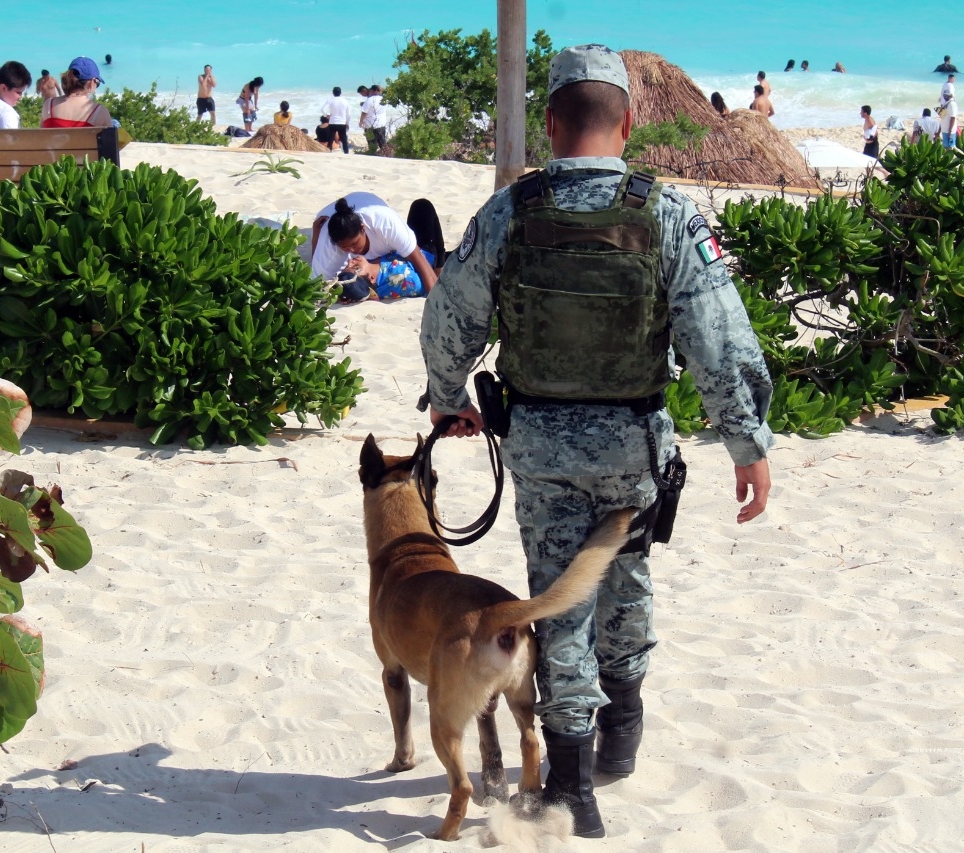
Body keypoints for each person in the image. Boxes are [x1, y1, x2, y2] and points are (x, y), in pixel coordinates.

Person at [418, 43, 773, 839]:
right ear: (631, 123)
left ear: (550, 122)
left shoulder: (510, 210)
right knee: (626, 577)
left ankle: (575, 787)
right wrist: (748, 442)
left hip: (541, 443)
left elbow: (449, 320)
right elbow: (720, 339)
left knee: (560, 596)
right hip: (633, 443)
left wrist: (448, 403)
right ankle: (622, 739)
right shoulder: (668, 213)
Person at [310, 194, 438, 299]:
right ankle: (440, 266)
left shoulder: (386, 225)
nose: (352, 252)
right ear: (372, 277)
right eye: (345, 248)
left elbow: (317, 274)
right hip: (427, 254)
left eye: (354, 243)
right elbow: (420, 259)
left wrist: (316, 237)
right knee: (422, 207)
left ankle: (440, 266)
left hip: (365, 206)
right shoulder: (332, 248)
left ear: (363, 228)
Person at [40, 57, 113, 128]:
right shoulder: (99, 111)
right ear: (90, 83)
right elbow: (111, 140)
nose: (96, 86)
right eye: (97, 83)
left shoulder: (48, 105)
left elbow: (41, 138)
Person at [320, 85, 352, 154]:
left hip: (333, 122)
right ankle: (346, 152)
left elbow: (322, 109)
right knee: (343, 138)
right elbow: (348, 114)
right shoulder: (345, 101)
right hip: (342, 122)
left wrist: (327, 115)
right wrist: (347, 123)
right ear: (340, 92)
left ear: (333, 93)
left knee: (331, 138)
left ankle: (329, 151)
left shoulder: (330, 100)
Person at [360, 84, 387, 154]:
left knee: (372, 144)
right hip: (382, 123)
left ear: (372, 91)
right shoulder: (383, 99)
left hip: (370, 125)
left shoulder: (369, 100)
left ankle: (373, 155)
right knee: (382, 143)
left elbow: (364, 112)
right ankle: (386, 155)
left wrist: (361, 121)